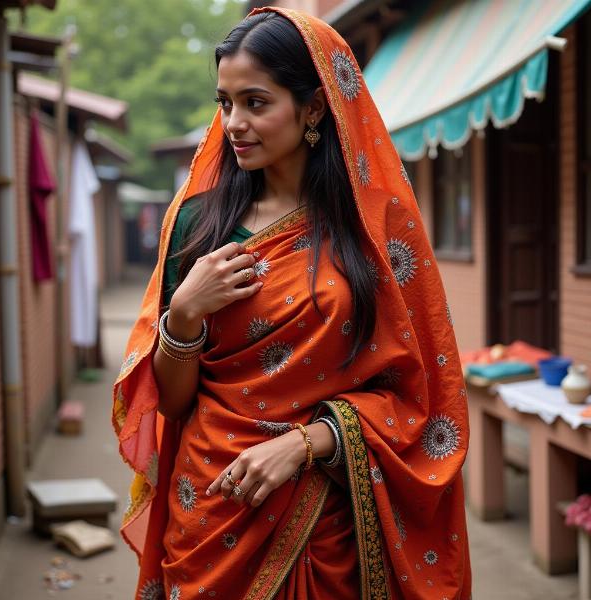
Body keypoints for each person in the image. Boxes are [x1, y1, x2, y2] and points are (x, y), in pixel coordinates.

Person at [113, 7, 472, 599]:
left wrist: (305, 443)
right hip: (210, 505)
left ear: (313, 108)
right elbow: (175, 404)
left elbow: (420, 396)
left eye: (256, 102)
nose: (234, 123)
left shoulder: (375, 232)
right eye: (225, 103)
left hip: (327, 521)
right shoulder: (196, 225)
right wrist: (184, 314)